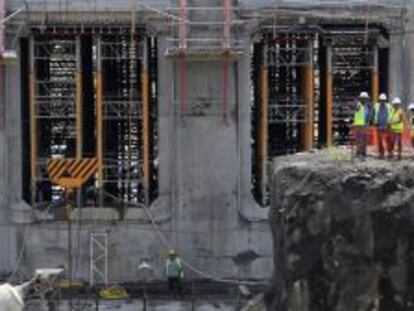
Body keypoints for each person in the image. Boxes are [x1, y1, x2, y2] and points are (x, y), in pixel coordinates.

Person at [374, 93, 392, 159]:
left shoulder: (389, 106)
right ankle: (381, 153)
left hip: (387, 125)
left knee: (388, 140)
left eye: (383, 100)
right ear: (379, 100)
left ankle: (389, 152)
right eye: (381, 100)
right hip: (379, 125)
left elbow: (391, 114)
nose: (382, 101)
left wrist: (390, 122)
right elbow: (375, 114)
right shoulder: (376, 106)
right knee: (380, 140)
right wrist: (375, 122)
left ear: (385, 100)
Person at [353, 92, 370, 158]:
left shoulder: (366, 107)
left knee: (365, 140)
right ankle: (358, 153)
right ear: (361, 99)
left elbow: (366, 116)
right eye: (363, 98)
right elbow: (356, 107)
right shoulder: (359, 105)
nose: (365, 100)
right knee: (359, 140)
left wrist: (367, 122)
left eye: (366, 99)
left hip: (364, 125)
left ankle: (363, 153)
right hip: (359, 126)